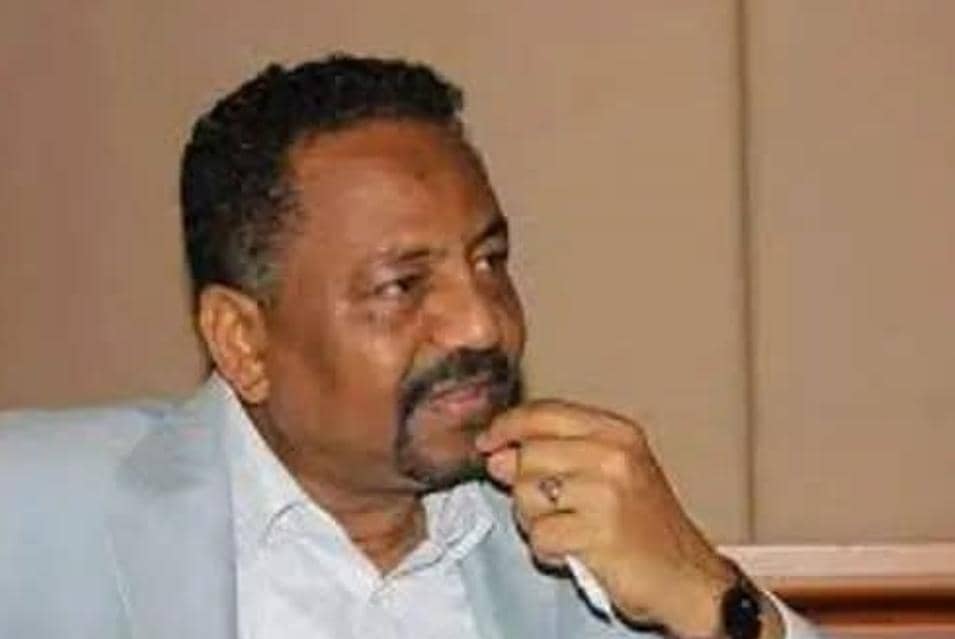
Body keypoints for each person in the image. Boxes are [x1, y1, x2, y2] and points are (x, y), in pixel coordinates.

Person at [0, 55, 822, 639]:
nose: (482, 324)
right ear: (241, 339)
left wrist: (704, 594)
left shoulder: (576, 551)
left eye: (489, 261)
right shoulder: (36, 510)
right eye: (403, 285)